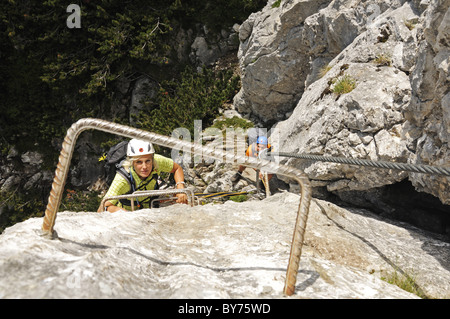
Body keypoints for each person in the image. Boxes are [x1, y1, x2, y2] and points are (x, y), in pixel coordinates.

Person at [99, 138, 188, 213]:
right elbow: (103, 207)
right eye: (139, 162)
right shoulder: (123, 179)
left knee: (183, 201)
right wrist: (123, 214)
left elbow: (177, 168)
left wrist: (180, 188)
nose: (144, 167)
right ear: (132, 162)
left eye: (148, 161)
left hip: (153, 204)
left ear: (152, 158)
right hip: (129, 214)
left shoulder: (156, 161)